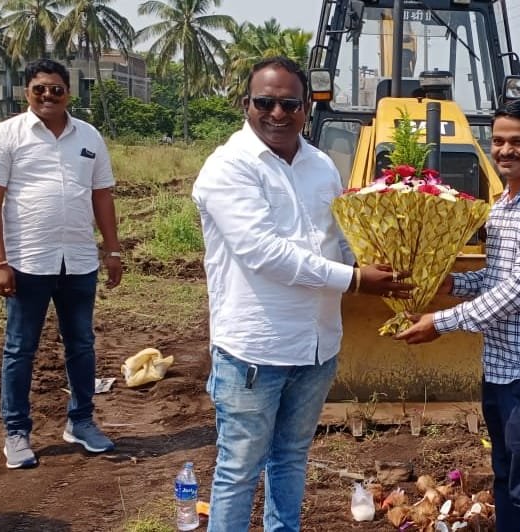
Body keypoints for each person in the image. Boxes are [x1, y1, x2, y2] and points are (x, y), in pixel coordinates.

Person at [190, 56, 414, 531]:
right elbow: (264, 253)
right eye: (265, 102)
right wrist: (355, 280)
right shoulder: (228, 167)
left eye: (290, 104)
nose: (278, 113)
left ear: (306, 108)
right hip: (255, 350)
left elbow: (339, 238)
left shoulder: (321, 166)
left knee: (291, 457)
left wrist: (389, 260)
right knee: (239, 469)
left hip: (316, 347)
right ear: (246, 104)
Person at [396, 98, 520, 532]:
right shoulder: (502, 204)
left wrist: (440, 322)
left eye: (518, 142)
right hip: (501, 368)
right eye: (498, 141)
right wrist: (451, 283)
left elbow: (517, 292)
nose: (505, 150)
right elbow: (499, 277)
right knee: (506, 477)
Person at [0, 58, 123, 469]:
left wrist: (112, 251)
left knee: (81, 345)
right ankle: (16, 432)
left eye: (56, 89)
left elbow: (101, 196)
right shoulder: (6, 135)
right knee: (20, 348)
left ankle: (81, 422)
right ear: (27, 92)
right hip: (27, 261)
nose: (48, 96)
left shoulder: (89, 136)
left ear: (68, 93)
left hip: (78, 261)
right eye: (39, 88)